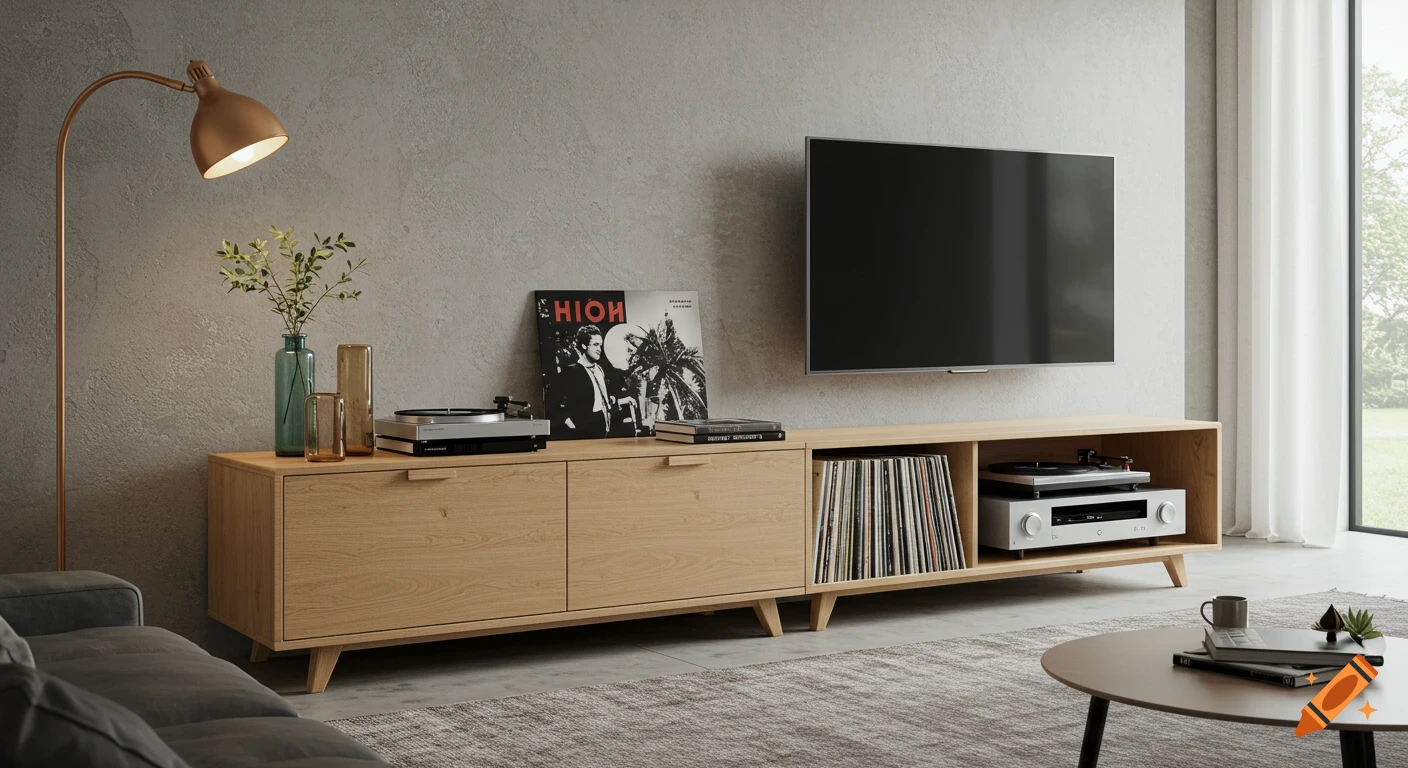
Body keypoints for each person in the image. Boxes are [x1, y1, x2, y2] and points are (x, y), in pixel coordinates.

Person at [550, 325, 615, 438]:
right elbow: (552, 402)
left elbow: (599, 395)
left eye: (600, 345)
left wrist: (610, 398)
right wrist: (569, 423)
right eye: (595, 345)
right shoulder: (570, 371)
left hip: (605, 424)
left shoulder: (600, 369)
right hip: (584, 429)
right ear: (584, 346)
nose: (599, 349)